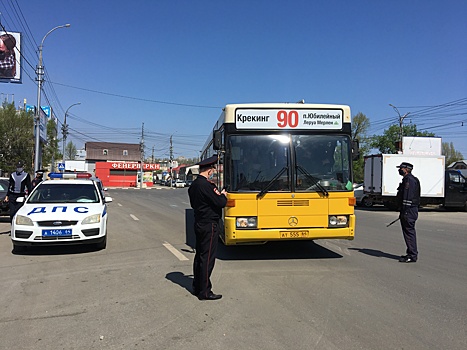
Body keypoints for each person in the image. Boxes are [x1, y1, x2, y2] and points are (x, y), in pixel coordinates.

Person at [188, 155, 228, 300]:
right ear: (210, 171)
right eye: (213, 169)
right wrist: (223, 195)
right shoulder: (207, 186)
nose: (214, 172)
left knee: (199, 256)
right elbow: (221, 202)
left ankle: (197, 286)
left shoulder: (194, 185)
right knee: (207, 258)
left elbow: (194, 205)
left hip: (199, 222)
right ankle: (205, 291)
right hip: (209, 225)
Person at [396, 162, 421, 263]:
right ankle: (410, 253)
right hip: (409, 210)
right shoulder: (409, 179)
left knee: (409, 232)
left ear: (406, 169)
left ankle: (412, 255)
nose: (399, 170)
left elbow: (407, 197)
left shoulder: (409, 180)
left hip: (409, 210)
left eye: (401, 168)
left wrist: (405, 211)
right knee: (408, 232)